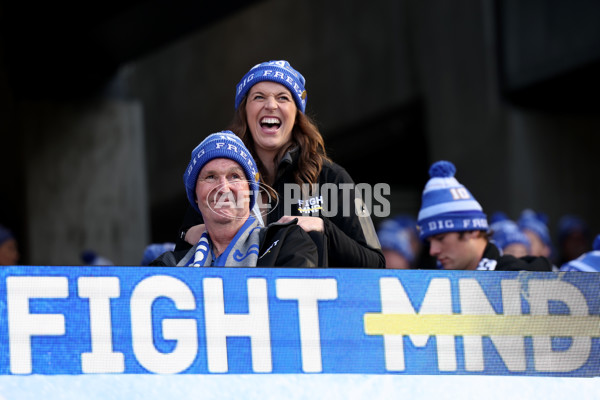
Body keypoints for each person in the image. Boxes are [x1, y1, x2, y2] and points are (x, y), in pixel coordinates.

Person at [176, 60, 384, 268]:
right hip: (236, 297)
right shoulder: (218, 175)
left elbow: (375, 263)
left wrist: (323, 228)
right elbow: (181, 260)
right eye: (259, 97)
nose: (271, 105)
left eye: (283, 98)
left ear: (296, 114)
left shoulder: (331, 178)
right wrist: (187, 234)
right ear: (245, 111)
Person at [151, 131, 318, 267]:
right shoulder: (167, 266)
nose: (223, 188)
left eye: (234, 176)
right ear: (195, 196)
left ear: (250, 191)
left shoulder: (287, 242)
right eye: (210, 177)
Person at [416, 160, 552, 271]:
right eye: (429, 242)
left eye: (440, 238)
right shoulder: (436, 284)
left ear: (473, 231)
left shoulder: (518, 278)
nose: (433, 251)